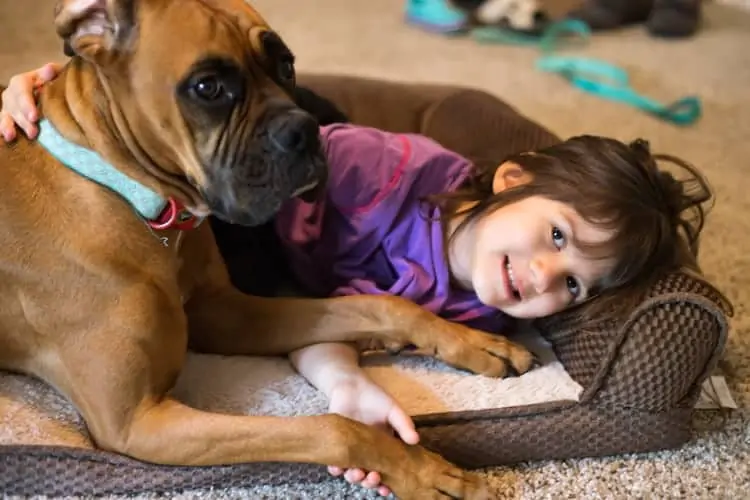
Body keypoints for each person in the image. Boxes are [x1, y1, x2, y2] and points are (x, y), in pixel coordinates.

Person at [0, 63, 715, 496]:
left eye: (574, 288)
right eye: (555, 239)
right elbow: (131, 424)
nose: (541, 278)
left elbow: (229, 315)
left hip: (275, 256)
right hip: (283, 211)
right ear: (510, 180)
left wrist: (382, 343)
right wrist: (341, 432)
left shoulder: (490, 302)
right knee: (302, 125)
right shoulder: (391, 168)